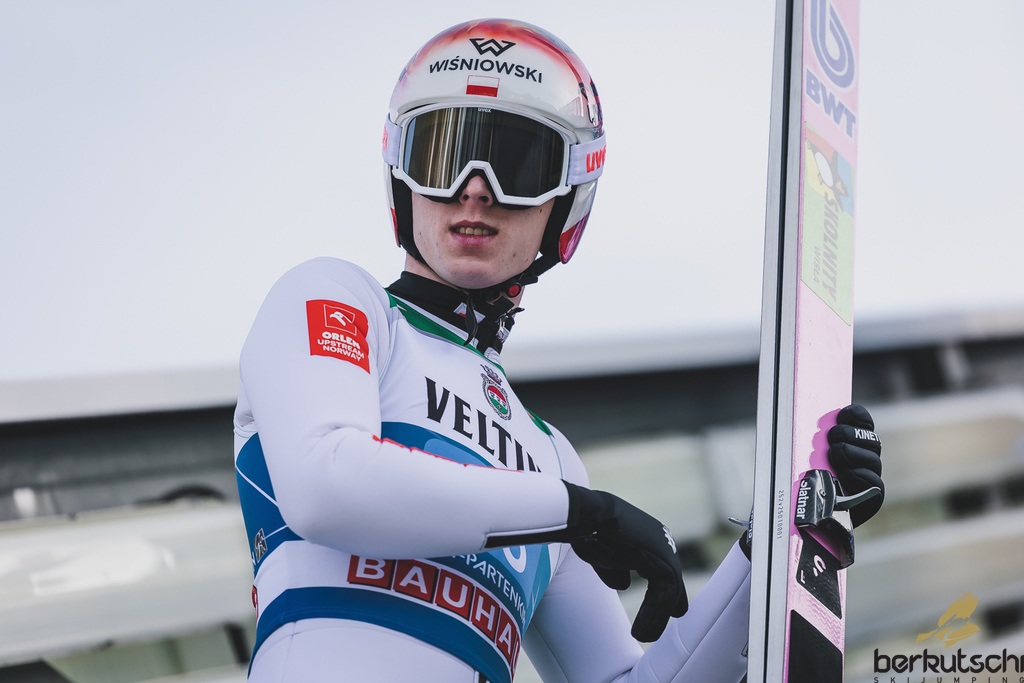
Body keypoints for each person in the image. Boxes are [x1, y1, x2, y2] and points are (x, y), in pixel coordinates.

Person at [232, 18, 884, 683]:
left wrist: (777, 539)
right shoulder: (338, 299)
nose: (475, 187)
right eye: (443, 155)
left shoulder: (548, 456)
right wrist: (580, 512)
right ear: (403, 175)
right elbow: (326, 485)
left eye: (517, 163)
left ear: (566, 200)